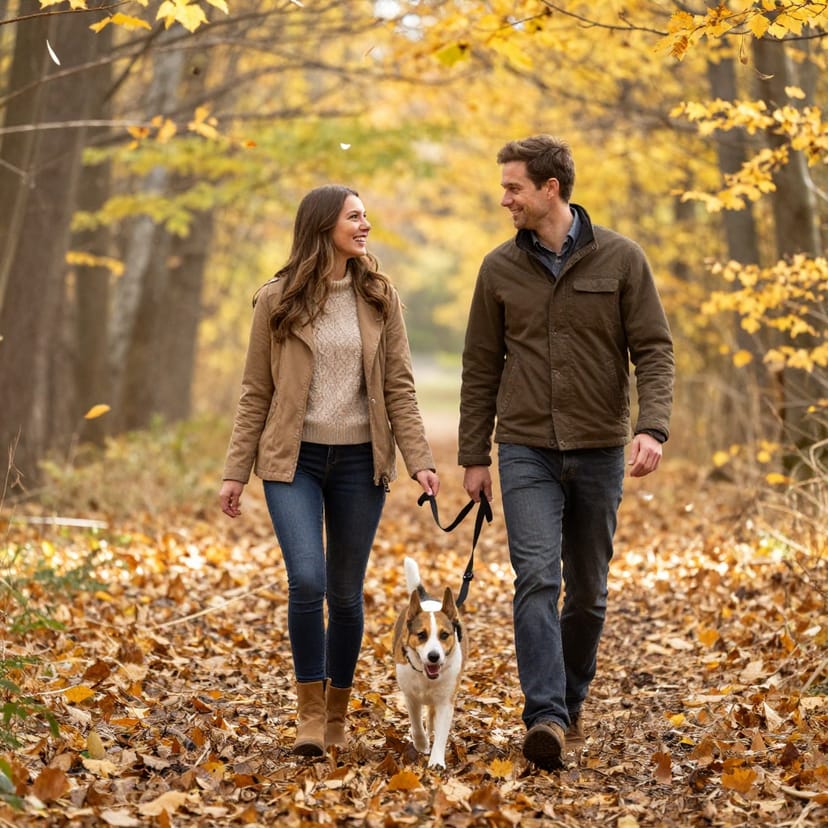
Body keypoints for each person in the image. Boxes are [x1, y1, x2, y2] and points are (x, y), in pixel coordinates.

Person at [459, 135, 674, 771]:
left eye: (514, 187)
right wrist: (474, 455)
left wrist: (651, 427)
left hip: (601, 446)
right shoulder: (498, 269)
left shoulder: (622, 258)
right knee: (536, 578)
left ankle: (571, 700)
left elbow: (654, 350)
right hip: (525, 447)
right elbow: (480, 366)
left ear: (549, 188)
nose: (505, 199)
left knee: (588, 593)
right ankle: (546, 716)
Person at [220, 184, 439, 757]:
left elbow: (400, 387)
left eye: (366, 216)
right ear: (323, 227)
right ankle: (310, 714)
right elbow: (255, 391)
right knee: (308, 581)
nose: (365, 226)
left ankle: (337, 713)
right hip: (293, 461)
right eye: (354, 217)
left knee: (344, 595)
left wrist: (420, 460)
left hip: (360, 463)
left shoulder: (380, 297)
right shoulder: (276, 300)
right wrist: (235, 472)